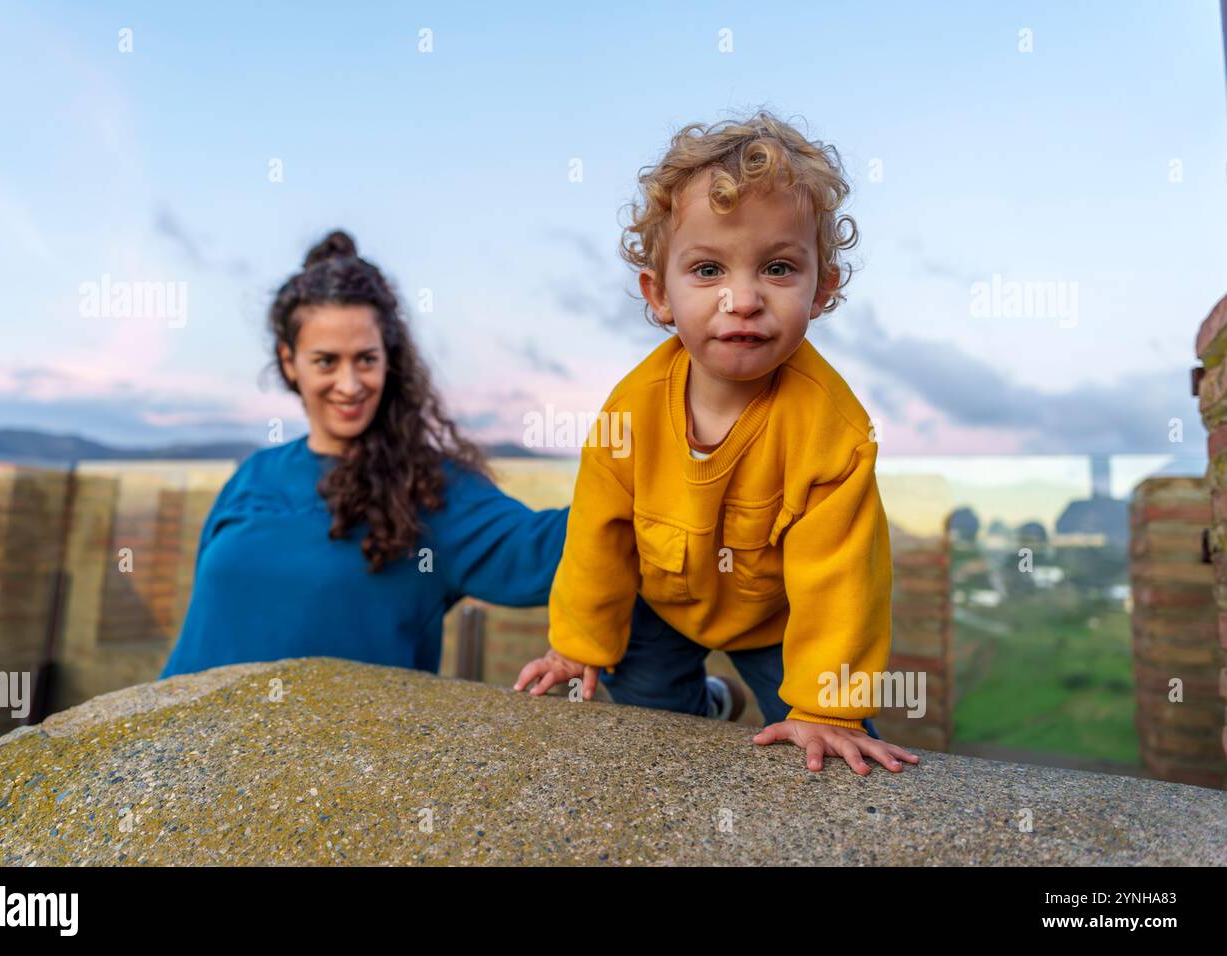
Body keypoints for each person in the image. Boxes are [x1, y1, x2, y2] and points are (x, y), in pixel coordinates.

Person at [514, 111, 921, 775]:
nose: (742, 299)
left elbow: (844, 580)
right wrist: (577, 645)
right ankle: (704, 703)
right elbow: (598, 533)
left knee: (830, 747)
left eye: (778, 268)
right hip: (662, 604)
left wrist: (826, 705)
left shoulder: (832, 433)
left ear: (822, 289)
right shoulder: (631, 410)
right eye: (707, 269)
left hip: (781, 622)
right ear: (659, 294)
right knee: (652, 722)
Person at [161, 230, 567, 679]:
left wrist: (642, 451)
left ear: (389, 360)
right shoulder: (253, 474)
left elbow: (553, 550)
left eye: (366, 360)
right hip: (187, 740)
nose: (350, 384)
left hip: (340, 748)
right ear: (288, 361)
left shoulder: (433, 489)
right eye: (326, 361)